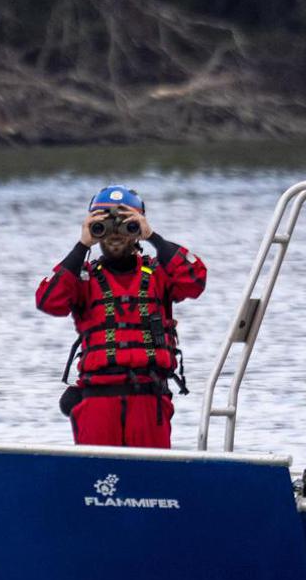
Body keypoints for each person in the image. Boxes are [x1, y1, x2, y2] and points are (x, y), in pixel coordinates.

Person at [36, 185, 206, 448]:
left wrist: (154, 237)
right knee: (97, 477)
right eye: (105, 224)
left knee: (150, 479)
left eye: (125, 224)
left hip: (150, 401)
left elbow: (195, 280)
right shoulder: (82, 278)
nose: (115, 234)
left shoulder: (159, 274)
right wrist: (82, 245)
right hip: (96, 402)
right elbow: (48, 301)